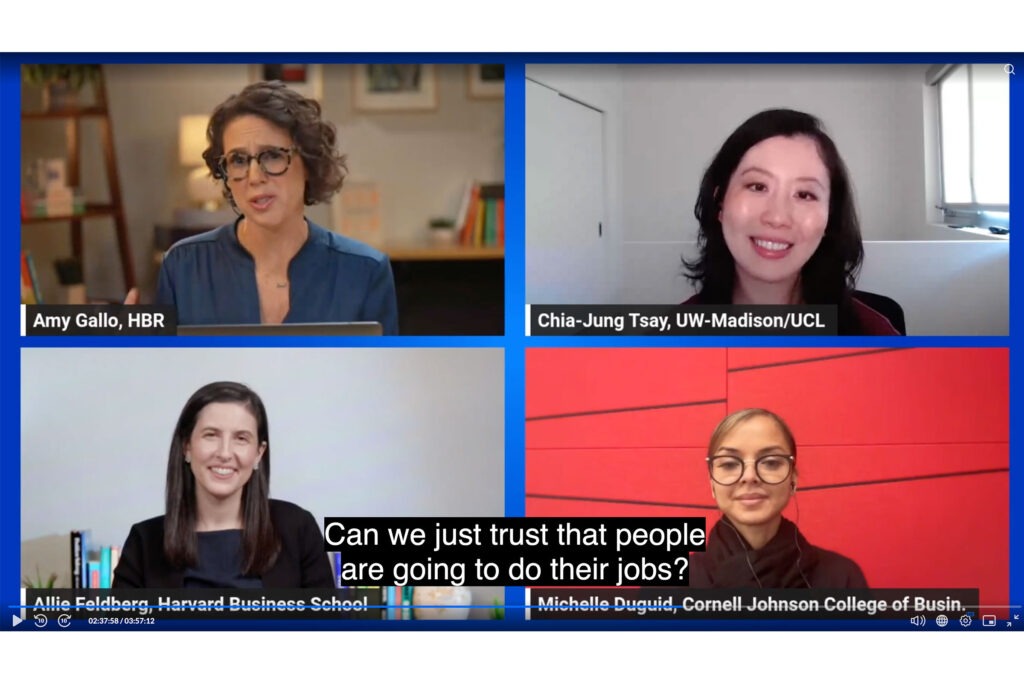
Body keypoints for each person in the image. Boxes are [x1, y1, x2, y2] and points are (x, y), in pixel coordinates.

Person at [149, 81, 398, 333]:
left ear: (309, 163)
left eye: (272, 155)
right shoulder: (183, 266)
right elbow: (161, 368)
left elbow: (381, 372)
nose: (254, 176)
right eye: (238, 160)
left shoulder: (365, 271)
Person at [682, 108, 901, 335]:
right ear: (720, 202)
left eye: (805, 195)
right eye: (757, 186)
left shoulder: (877, 338)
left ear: (829, 217)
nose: (777, 218)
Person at [113, 381, 334, 588]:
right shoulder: (144, 542)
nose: (225, 453)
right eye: (211, 435)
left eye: (241, 438)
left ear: (259, 453)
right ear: (186, 447)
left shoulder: (297, 529)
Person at [689, 408, 868, 589]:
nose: (749, 476)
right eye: (729, 464)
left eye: (771, 462)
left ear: (793, 480)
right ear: (712, 483)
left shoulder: (841, 577)